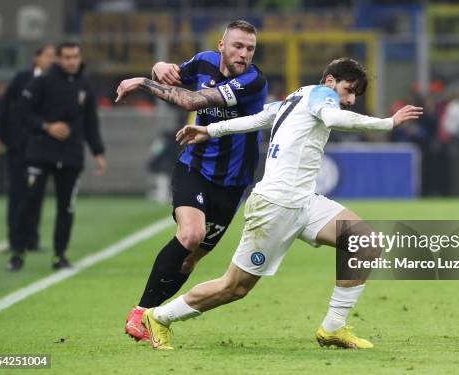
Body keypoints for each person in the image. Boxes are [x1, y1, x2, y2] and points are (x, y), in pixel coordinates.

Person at [139, 58, 422, 350]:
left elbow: (259, 119)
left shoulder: (297, 97)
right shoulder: (322, 96)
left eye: (354, 95)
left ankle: (333, 328)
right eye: (348, 90)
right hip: (275, 205)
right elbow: (334, 119)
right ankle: (159, 316)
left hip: (303, 201)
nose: (349, 100)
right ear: (329, 81)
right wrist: (388, 123)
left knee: (364, 241)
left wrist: (211, 130)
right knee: (234, 288)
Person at [114, 20, 268, 342]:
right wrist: (158, 67)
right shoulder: (203, 62)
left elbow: (191, 101)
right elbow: (173, 76)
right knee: (190, 234)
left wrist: (143, 81)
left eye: (250, 49)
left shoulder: (253, 81)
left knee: (189, 260)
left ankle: (149, 315)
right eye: (238, 46)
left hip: (233, 184)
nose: (243, 54)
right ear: (222, 46)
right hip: (194, 168)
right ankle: (141, 313)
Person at [7, 42, 107, 271]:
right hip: (40, 152)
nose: (72, 61)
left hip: (71, 155)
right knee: (29, 203)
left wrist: (98, 152)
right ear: (59, 60)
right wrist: (46, 126)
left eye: (75, 56)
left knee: (67, 207)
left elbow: (91, 122)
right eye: (67, 57)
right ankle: (17, 253)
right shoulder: (42, 81)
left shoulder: (85, 86)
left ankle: (59, 255)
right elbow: (22, 111)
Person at [0, 44, 56, 252]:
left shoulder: (55, 81)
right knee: (18, 192)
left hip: (40, 146)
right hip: (18, 145)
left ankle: (32, 239)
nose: (51, 61)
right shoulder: (22, 78)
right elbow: (5, 106)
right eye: (48, 56)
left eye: (54, 57)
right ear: (37, 58)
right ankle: (15, 239)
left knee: (35, 193)